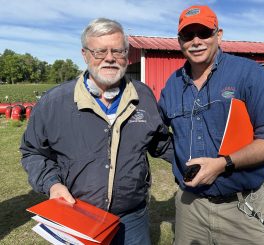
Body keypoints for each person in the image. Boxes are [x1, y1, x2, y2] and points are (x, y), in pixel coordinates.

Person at [20, 18, 173, 245]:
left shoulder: (143, 97)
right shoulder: (55, 102)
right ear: (85, 54)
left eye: (117, 51)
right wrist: (52, 183)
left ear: (127, 54)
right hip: (78, 215)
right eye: (100, 51)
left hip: (132, 217)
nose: (110, 58)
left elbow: (161, 143)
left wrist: (200, 160)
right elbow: (32, 152)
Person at [158, 5, 264, 245]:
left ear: (219, 35)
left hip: (241, 207)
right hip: (190, 208)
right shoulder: (173, 85)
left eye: (204, 33)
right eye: (188, 35)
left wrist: (222, 164)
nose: (196, 41)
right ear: (180, 41)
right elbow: (157, 134)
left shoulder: (248, 74)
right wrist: (178, 157)